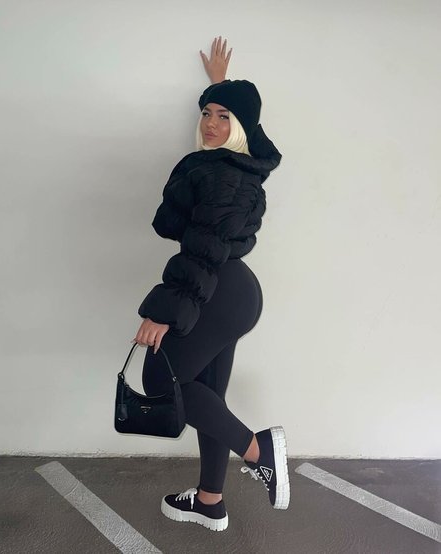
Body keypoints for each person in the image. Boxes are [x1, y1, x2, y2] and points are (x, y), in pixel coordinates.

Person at [132, 36, 289, 532]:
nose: (210, 123)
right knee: (208, 398)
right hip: (229, 292)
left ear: (240, 126)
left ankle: (259, 451)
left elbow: (200, 248)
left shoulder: (222, 174)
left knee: (160, 381)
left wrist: (164, 312)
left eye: (224, 116)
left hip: (216, 291)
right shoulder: (238, 165)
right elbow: (252, 135)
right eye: (207, 113)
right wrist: (221, 87)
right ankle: (209, 501)